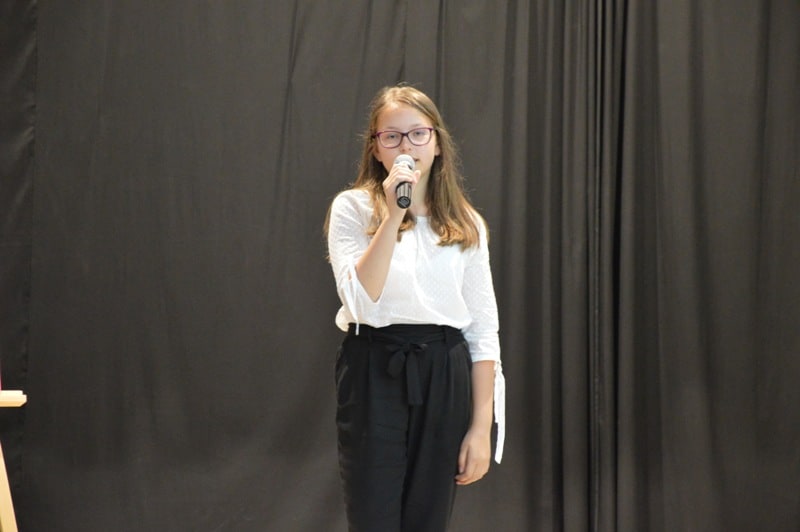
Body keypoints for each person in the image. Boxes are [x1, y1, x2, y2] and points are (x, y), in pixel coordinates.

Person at [324, 84, 505, 532]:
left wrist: (481, 427)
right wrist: (393, 215)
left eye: (418, 134)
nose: (406, 146)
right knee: (373, 515)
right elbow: (359, 300)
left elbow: (483, 332)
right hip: (373, 365)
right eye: (392, 136)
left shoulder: (466, 223)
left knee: (428, 517)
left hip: (443, 369)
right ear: (376, 148)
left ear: (437, 143)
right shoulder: (353, 209)